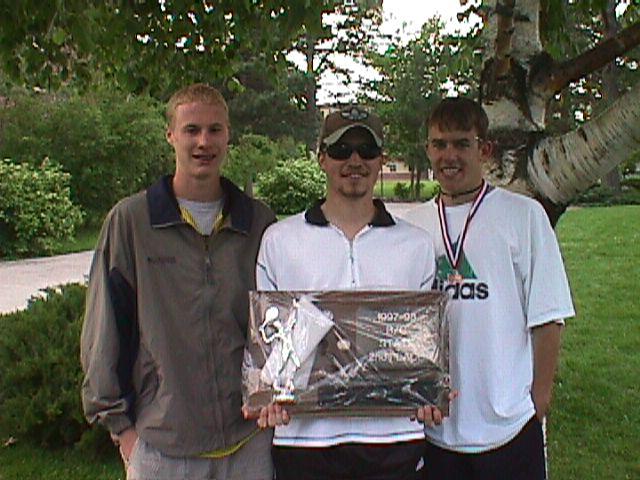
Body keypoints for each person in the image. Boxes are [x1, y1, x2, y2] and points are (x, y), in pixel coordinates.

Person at [80, 83, 276, 480]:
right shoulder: (131, 223)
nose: (203, 141)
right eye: (191, 130)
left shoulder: (257, 223)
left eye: (214, 129)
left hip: (249, 442)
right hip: (163, 446)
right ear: (171, 135)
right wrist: (123, 431)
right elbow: (103, 329)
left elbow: (278, 327)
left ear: (228, 135)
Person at [251, 105, 437, 480]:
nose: (355, 160)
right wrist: (266, 395)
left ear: (381, 159)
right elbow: (267, 344)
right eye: (341, 150)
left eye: (366, 150)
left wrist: (429, 391)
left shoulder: (416, 245)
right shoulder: (280, 241)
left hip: (394, 436)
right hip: (306, 440)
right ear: (321, 158)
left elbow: (424, 346)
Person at [404, 97, 575, 479]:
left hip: (508, 427)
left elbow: (548, 317)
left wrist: (538, 403)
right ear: (428, 150)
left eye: (462, 143)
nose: (450, 155)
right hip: (435, 431)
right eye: (439, 144)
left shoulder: (523, 216)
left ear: (485, 149)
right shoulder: (411, 228)